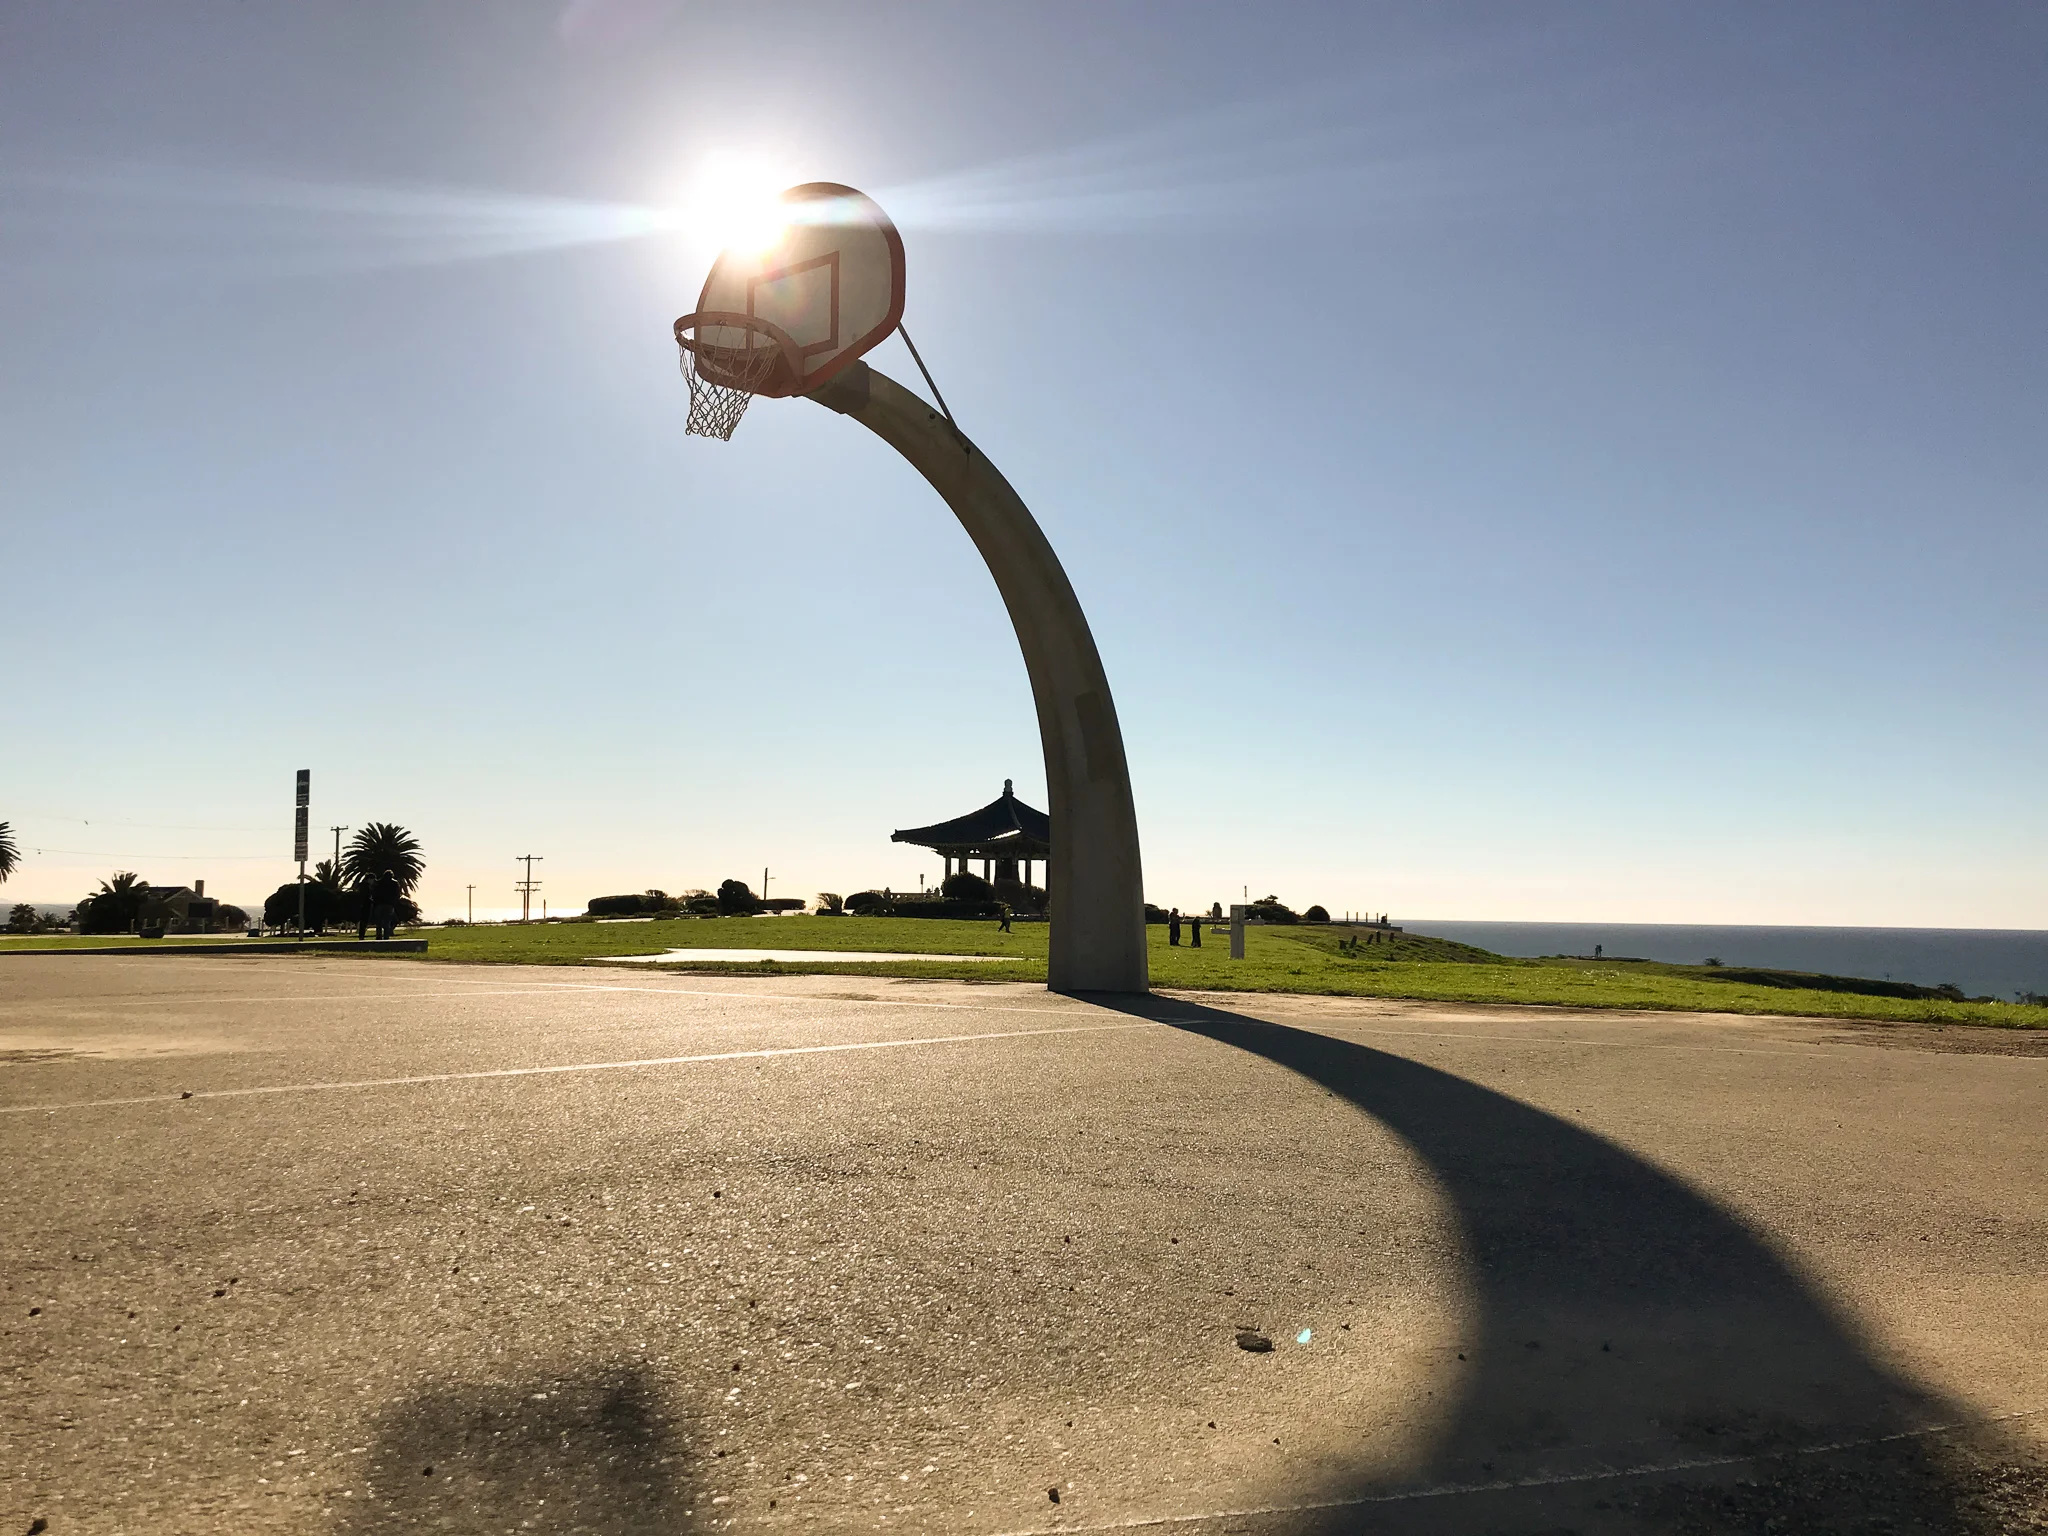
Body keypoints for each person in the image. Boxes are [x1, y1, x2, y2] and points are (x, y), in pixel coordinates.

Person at [371, 869, 402, 941]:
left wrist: (375, 901)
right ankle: (386, 937)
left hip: (379, 904)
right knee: (387, 921)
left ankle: (378, 936)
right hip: (389, 905)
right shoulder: (394, 883)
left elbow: (374, 892)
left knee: (378, 922)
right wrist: (395, 902)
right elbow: (397, 894)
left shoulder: (378, 882)